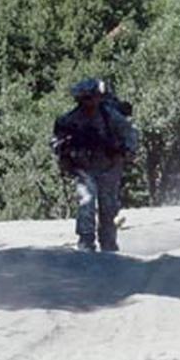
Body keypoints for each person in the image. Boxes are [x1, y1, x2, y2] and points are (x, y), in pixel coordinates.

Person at [52, 78, 138, 252]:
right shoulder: (70, 120)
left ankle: (108, 242)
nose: (89, 102)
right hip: (85, 168)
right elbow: (56, 143)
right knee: (87, 201)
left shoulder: (110, 116)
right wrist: (64, 150)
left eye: (92, 97)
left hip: (110, 166)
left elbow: (129, 134)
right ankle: (86, 241)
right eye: (85, 99)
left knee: (108, 207)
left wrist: (128, 150)